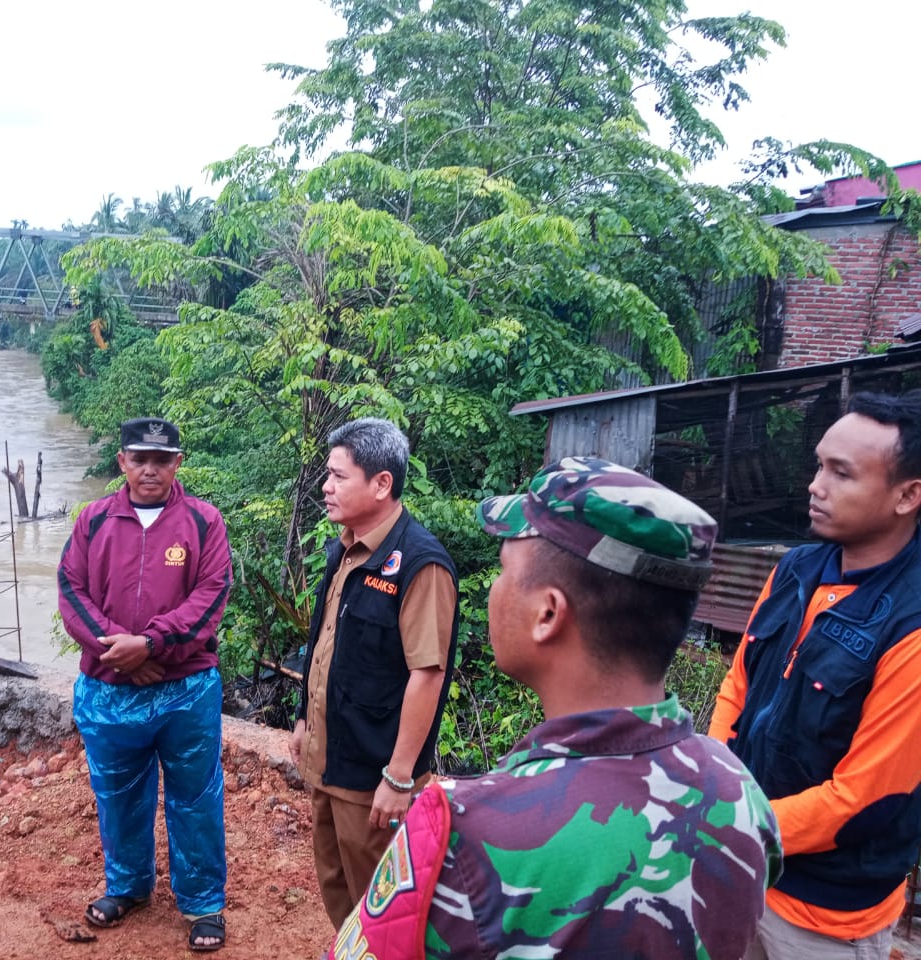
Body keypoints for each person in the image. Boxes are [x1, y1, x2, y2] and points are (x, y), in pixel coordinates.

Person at [327, 456, 782, 960]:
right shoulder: (740, 796)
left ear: (547, 614)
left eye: (503, 571)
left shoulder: (467, 830)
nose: (495, 590)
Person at [710, 389, 921, 960]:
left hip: (823, 915)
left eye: (841, 473)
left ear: (908, 495)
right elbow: (739, 686)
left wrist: (726, 823)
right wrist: (714, 786)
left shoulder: (912, 621)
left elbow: (862, 799)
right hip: (744, 870)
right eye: (818, 465)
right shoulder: (796, 569)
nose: (814, 485)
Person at [58, 417, 233, 952]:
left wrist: (152, 645)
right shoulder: (92, 521)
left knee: (195, 796)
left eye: (162, 459)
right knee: (117, 794)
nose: (150, 469)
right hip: (111, 685)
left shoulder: (205, 523)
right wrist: (124, 654)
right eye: (140, 458)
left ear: (178, 463)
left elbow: (210, 597)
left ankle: (204, 905)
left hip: (185, 689)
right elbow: (71, 591)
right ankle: (128, 886)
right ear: (122, 462)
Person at [290, 417, 459, 929]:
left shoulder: (419, 564)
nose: (326, 486)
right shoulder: (344, 547)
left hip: (372, 781)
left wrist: (399, 776)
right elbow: (324, 642)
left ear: (382, 484)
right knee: (339, 896)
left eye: (339, 476)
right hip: (329, 764)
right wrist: (302, 721)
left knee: (384, 912)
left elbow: (427, 675)